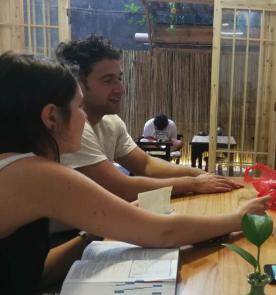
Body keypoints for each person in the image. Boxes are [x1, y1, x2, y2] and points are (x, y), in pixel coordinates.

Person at [0, 52, 270, 295]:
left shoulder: (18, 166)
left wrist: (89, 237)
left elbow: (31, 275)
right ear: (51, 116)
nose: (83, 117)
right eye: (78, 107)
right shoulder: (35, 174)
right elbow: (161, 232)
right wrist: (240, 218)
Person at [56, 34, 240, 202]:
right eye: (108, 80)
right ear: (78, 83)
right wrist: (193, 184)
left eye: (119, 78)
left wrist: (200, 175)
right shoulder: (72, 128)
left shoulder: (111, 123)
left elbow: (146, 164)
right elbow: (120, 188)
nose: (121, 89)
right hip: (68, 235)